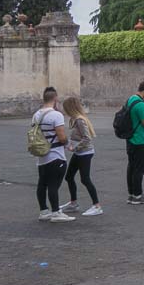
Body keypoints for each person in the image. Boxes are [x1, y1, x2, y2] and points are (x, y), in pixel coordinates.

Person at [33, 88, 73, 222]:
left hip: (41, 155)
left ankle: (44, 211)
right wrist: (68, 144)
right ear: (55, 99)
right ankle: (56, 212)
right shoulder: (56, 115)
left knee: (42, 183)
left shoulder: (36, 115)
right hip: (55, 154)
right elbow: (61, 136)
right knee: (53, 184)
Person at [60, 96, 102, 216]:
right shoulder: (74, 119)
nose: (65, 111)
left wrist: (75, 147)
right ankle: (73, 203)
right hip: (79, 153)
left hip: (85, 153)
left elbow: (87, 138)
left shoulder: (79, 120)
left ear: (70, 108)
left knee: (85, 179)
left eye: (65, 108)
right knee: (69, 177)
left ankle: (97, 206)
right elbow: (76, 136)